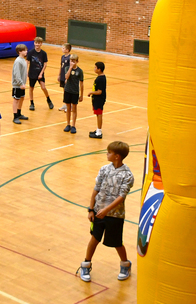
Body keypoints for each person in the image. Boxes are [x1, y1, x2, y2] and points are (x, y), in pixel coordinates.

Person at [77, 141, 134, 283]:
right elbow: (96, 189)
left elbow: (122, 196)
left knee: (116, 242)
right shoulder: (104, 169)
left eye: (109, 152)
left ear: (117, 156)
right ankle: (86, 265)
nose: (106, 154)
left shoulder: (127, 175)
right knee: (94, 239)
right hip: (98, 213)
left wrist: (107, 210)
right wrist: (91, 209)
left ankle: (125, 265)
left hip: (115, 215)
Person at [27, 37, 53, 111]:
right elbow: (27, 62)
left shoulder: (43, 53)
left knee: (43, 87)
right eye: (36, 43)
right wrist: (26, 71)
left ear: (41, 44)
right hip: (32, 73)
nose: (37, 44)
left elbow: (45, 64)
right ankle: (31, 103)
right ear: (34, 43)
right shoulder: (31, 52)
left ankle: (49, 100)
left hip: (40, 73)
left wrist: (41, 73)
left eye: (39, 43)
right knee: (31, 88)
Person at [63, 53, 83, 134]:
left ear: (77, 61)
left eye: (74, 61)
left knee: (74, 108)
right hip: (67, 90)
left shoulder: (80, 71)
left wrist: (81, 94)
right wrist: (70, 68)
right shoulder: (67, 68)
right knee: (68, 108)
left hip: (75, 91)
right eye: (71, 61)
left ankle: (73, 125)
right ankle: (68, 124)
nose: (72, 62)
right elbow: (66, 77)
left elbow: (81, 83)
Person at [11, 44, 29, 125]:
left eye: (26, 50)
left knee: (22, 98)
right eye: (24, 50)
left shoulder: (23, 60)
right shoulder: (18, 61)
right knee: (16, 99)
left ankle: (19, 113)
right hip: (17, 85)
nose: (26, 52)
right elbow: (16, 73)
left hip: (22, 84)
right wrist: (20, 83)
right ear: (19, 51)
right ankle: (15, 116)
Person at [88, 62, 107, 139]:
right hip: (96, 99)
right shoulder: (100, 77)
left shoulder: (100, 79)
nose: (94, 69)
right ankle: (97, 130)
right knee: (97, 113)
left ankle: (99, 132)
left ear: (99, 69)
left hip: (99, 99)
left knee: (99, 114)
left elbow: (99, 91)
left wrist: (91, 92)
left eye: (95, 67)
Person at [58, 43, 73, 111]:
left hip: (67, 76)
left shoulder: (70, 58)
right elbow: (61, 66)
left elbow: (71, 68)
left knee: (68, 91)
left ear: (67, 50)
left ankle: (70, 105)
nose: (62, 49)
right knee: (64, 90)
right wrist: (59, 75)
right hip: (62, 76)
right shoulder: (62, 57)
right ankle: (65, 104)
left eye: (63, 48)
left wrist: (68, 77)